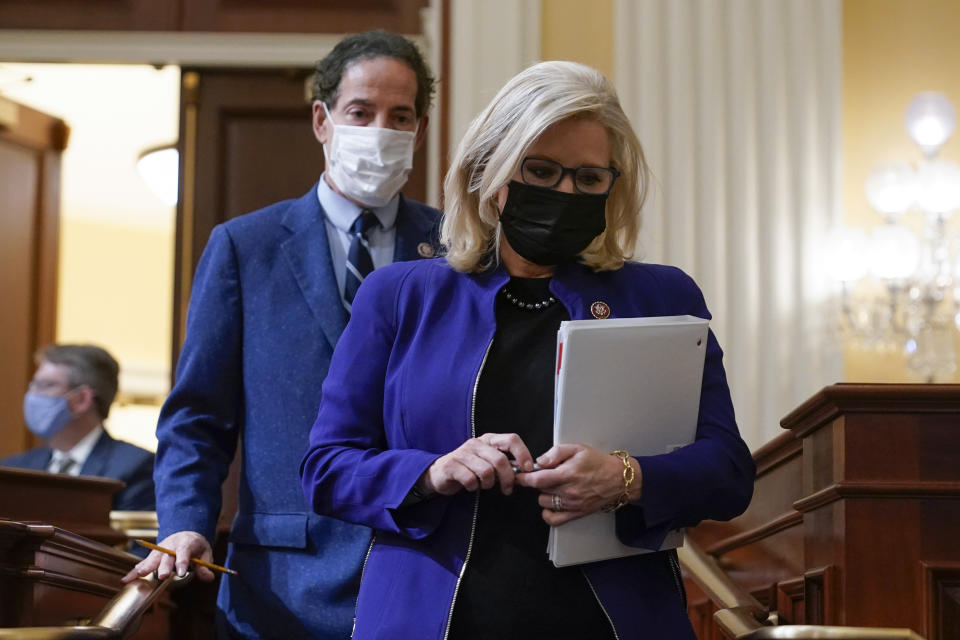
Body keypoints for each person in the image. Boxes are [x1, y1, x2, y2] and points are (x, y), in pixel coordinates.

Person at [300, 60, 757, 639]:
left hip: (611, 620)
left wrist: (627, 477)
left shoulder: (661, 295)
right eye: (541, 171)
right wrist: (432, 471)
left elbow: (728, 471)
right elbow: (327, 468)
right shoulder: (399, 295)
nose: (566, 192)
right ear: (489, 176)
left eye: (589, 179)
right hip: (432, 617)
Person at [125, 30, 441, 639]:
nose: (381, 130)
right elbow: (198, 414)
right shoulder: (247, 246)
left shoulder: (456, 251)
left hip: (421, 568)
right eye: (361, 112)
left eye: (400, 116)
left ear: (420, 131)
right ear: (322, 121)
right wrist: (184, 522)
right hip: (281, 587)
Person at [2, 344, 155, 512]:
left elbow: (127, 538)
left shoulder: (134, 467)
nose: (32, 395)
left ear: (81, 399)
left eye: (45, 385)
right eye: (33, 385)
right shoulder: (13, 470)